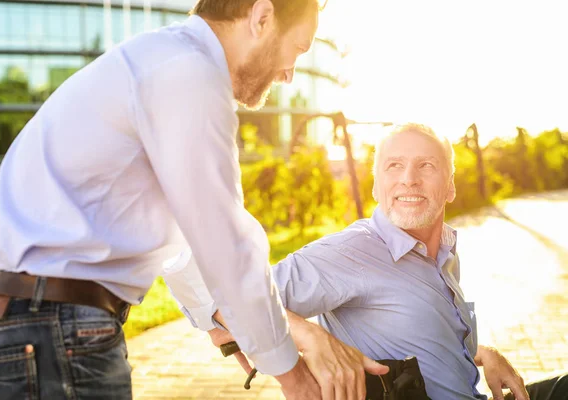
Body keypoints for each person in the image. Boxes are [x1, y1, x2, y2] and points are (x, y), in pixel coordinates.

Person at [0, 1, 373, 399]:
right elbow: (224, 239)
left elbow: (182, 237)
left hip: (20, 326)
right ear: (262, 16)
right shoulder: (190, 72)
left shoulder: (160, 60)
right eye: (298, 49)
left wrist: (218, 320)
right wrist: (295, 378)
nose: (289, 75)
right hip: (52, 329)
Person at [169, 123, 567, 400]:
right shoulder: (352, 251)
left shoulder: (442, 251)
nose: (409, 178)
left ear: (450, 187)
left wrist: (484, 354)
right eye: (394, 165)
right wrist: (308, 335)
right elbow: (217, 295)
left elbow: (424, 334)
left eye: (426, 166)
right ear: (376, 184)